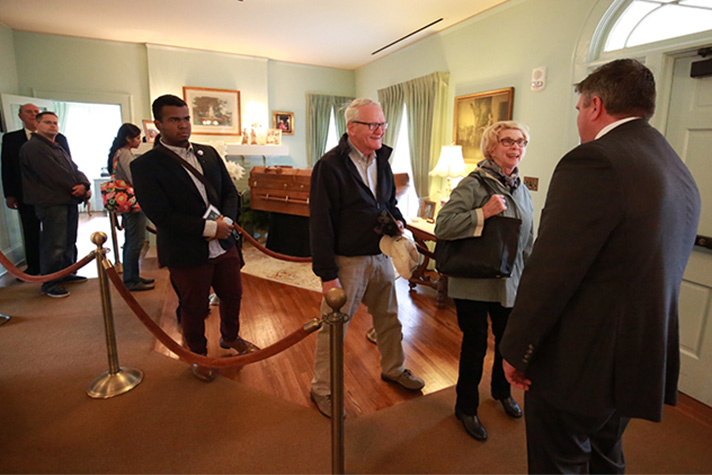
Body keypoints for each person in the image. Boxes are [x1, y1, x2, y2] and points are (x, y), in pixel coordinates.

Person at [500, 59, 701, 473]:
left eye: (577, 108)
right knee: (607, 453)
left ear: (594, 105)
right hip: (639, 353)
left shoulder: (593, 161)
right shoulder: (675, 166)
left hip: (580, 359)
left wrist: (518, 349)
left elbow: (551, 270)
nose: (578, 118)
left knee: (559, 461)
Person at [309, 97, 425, 418]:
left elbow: (387, 201)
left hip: (381, 255)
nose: (380, 130)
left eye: (383, 124)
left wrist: (397, 219)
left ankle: (393, 368)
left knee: (389, 318)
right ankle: (322, 389)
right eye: (372, 124)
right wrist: (326, 275)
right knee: (334, 328)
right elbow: (320, 223)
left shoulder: (382, 160)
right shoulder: (329, 166)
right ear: (351, 128)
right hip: (348, 262)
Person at [131, 94, 258, 383]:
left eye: (186, 118)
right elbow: (160, 214)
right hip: (185, 247)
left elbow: (229, 191)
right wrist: (210, 229)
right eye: (174, 120)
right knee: (194, 305)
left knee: (232, 294)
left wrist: (226, 220)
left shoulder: (208, 152)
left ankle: (230, 337)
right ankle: (198, 355)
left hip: (223, 243)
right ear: (158, 124)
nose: (183, 125)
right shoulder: (146, 165)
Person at [434, 121, 534, 441]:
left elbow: (527, 239)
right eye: (508, 141)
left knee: (507, 343)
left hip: (510, 283)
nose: (516, 147)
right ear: (491, 147)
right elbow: (443, 226)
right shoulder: (474, 184)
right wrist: (483, 213)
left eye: (521, 142)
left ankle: (502, 392)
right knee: (474, 347)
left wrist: (530, 278)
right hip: (475, 284)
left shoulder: (522, 188)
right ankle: (466, 407)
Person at [19, 112, 90, 298]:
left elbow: (74, 169)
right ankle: (51, 282)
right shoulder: (33, 148)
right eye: (48, 123)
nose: (53, 126)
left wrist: (84, 184)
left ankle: (66, 273)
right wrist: (77, 188)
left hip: (67, 200)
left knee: (68, 241)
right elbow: (53, 175)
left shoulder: (57, 147)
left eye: (55, 123)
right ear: (37, 124)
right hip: (51, 202)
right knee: (54, 244)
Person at [2, 103, 71, 276]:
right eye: (29, 112)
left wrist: (82, 185)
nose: (32, 115)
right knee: (32, 231)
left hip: (58, 196)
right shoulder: (13, 140)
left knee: (62, 236)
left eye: (35, 112)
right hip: (27, 193)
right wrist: (9, 194)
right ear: (21, 116)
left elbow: (69, 166)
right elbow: (7, 167)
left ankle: (66, 269)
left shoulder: (59, 139)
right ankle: (36, 269)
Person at [107, 123, 154, 291]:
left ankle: (133, 275)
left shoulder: (117, 153)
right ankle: (131, 279)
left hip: (124, 202)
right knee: (136, 240)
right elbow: (134, 177)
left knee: (132, 239)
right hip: (132, 202)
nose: (139, 140)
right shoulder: (125, 153)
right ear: (127, 138)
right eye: (136, 137)